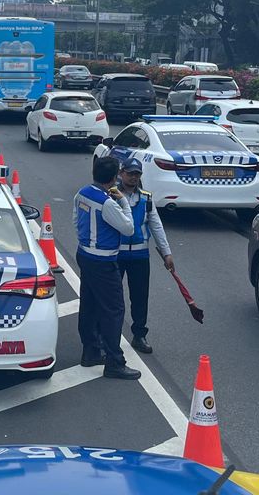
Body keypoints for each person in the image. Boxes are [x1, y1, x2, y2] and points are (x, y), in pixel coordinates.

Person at [74, 156, 141, 380]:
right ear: (113, 178)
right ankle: (114, 361)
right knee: (114, 310)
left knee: (89, 304)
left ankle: (90, 351)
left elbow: (76, 220)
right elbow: (128, 228)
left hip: (85, 253)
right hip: (104, 260)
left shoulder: (82, 193)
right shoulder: (108, 203)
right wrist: (123, 202)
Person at [115, 158, 174, 355]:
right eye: (130, 173)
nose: (133, 177)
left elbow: (156, 225)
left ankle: (139, 334)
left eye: (137, 174)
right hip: (115, 254)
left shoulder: (147, 199)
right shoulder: (112, 196)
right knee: (114, 298)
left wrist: (166, 253)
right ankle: (110, 335)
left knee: (140, 297)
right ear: (121, 174)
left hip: (140, 255)